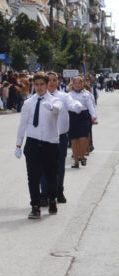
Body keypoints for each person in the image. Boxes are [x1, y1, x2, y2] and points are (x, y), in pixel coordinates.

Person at [15, 73, 62, 219]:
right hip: (33, 143)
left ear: (47, 85)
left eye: (42, 84)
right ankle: (35, 206)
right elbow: (22, 124)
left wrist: (52, 107)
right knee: (33, 177)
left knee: (51, 176)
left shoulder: (54, 100)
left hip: (50, 143)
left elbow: (58, 108)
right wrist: (18, 144)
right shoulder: (28, 103)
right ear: (33, 85)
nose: (39, 87)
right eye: (37, 84)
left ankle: (52, 199)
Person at [42, 71, 82, 204]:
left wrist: (77, 106)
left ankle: (59, 191)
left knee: (59, 165)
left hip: (60, 137)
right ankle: (45, 193)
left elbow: (72, 104)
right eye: (49, 80)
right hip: (44, 137)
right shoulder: (40, 97)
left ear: (58, 81)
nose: (52, 83)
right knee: (44, 165)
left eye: (54, 80)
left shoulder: (64, 96)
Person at [67, 76, 97, 168]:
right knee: (74, 140)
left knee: (83, 138)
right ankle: (76, 161)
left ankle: (82, 156)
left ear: (83, 84)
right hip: (72, 117)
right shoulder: (69, 95)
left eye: (79, 83)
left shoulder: (86, 95)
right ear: (72, 84)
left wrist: (94, 117)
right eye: (75, 83)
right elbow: (65, 107)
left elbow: (91, 107)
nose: (77, 85)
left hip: (84, 116)